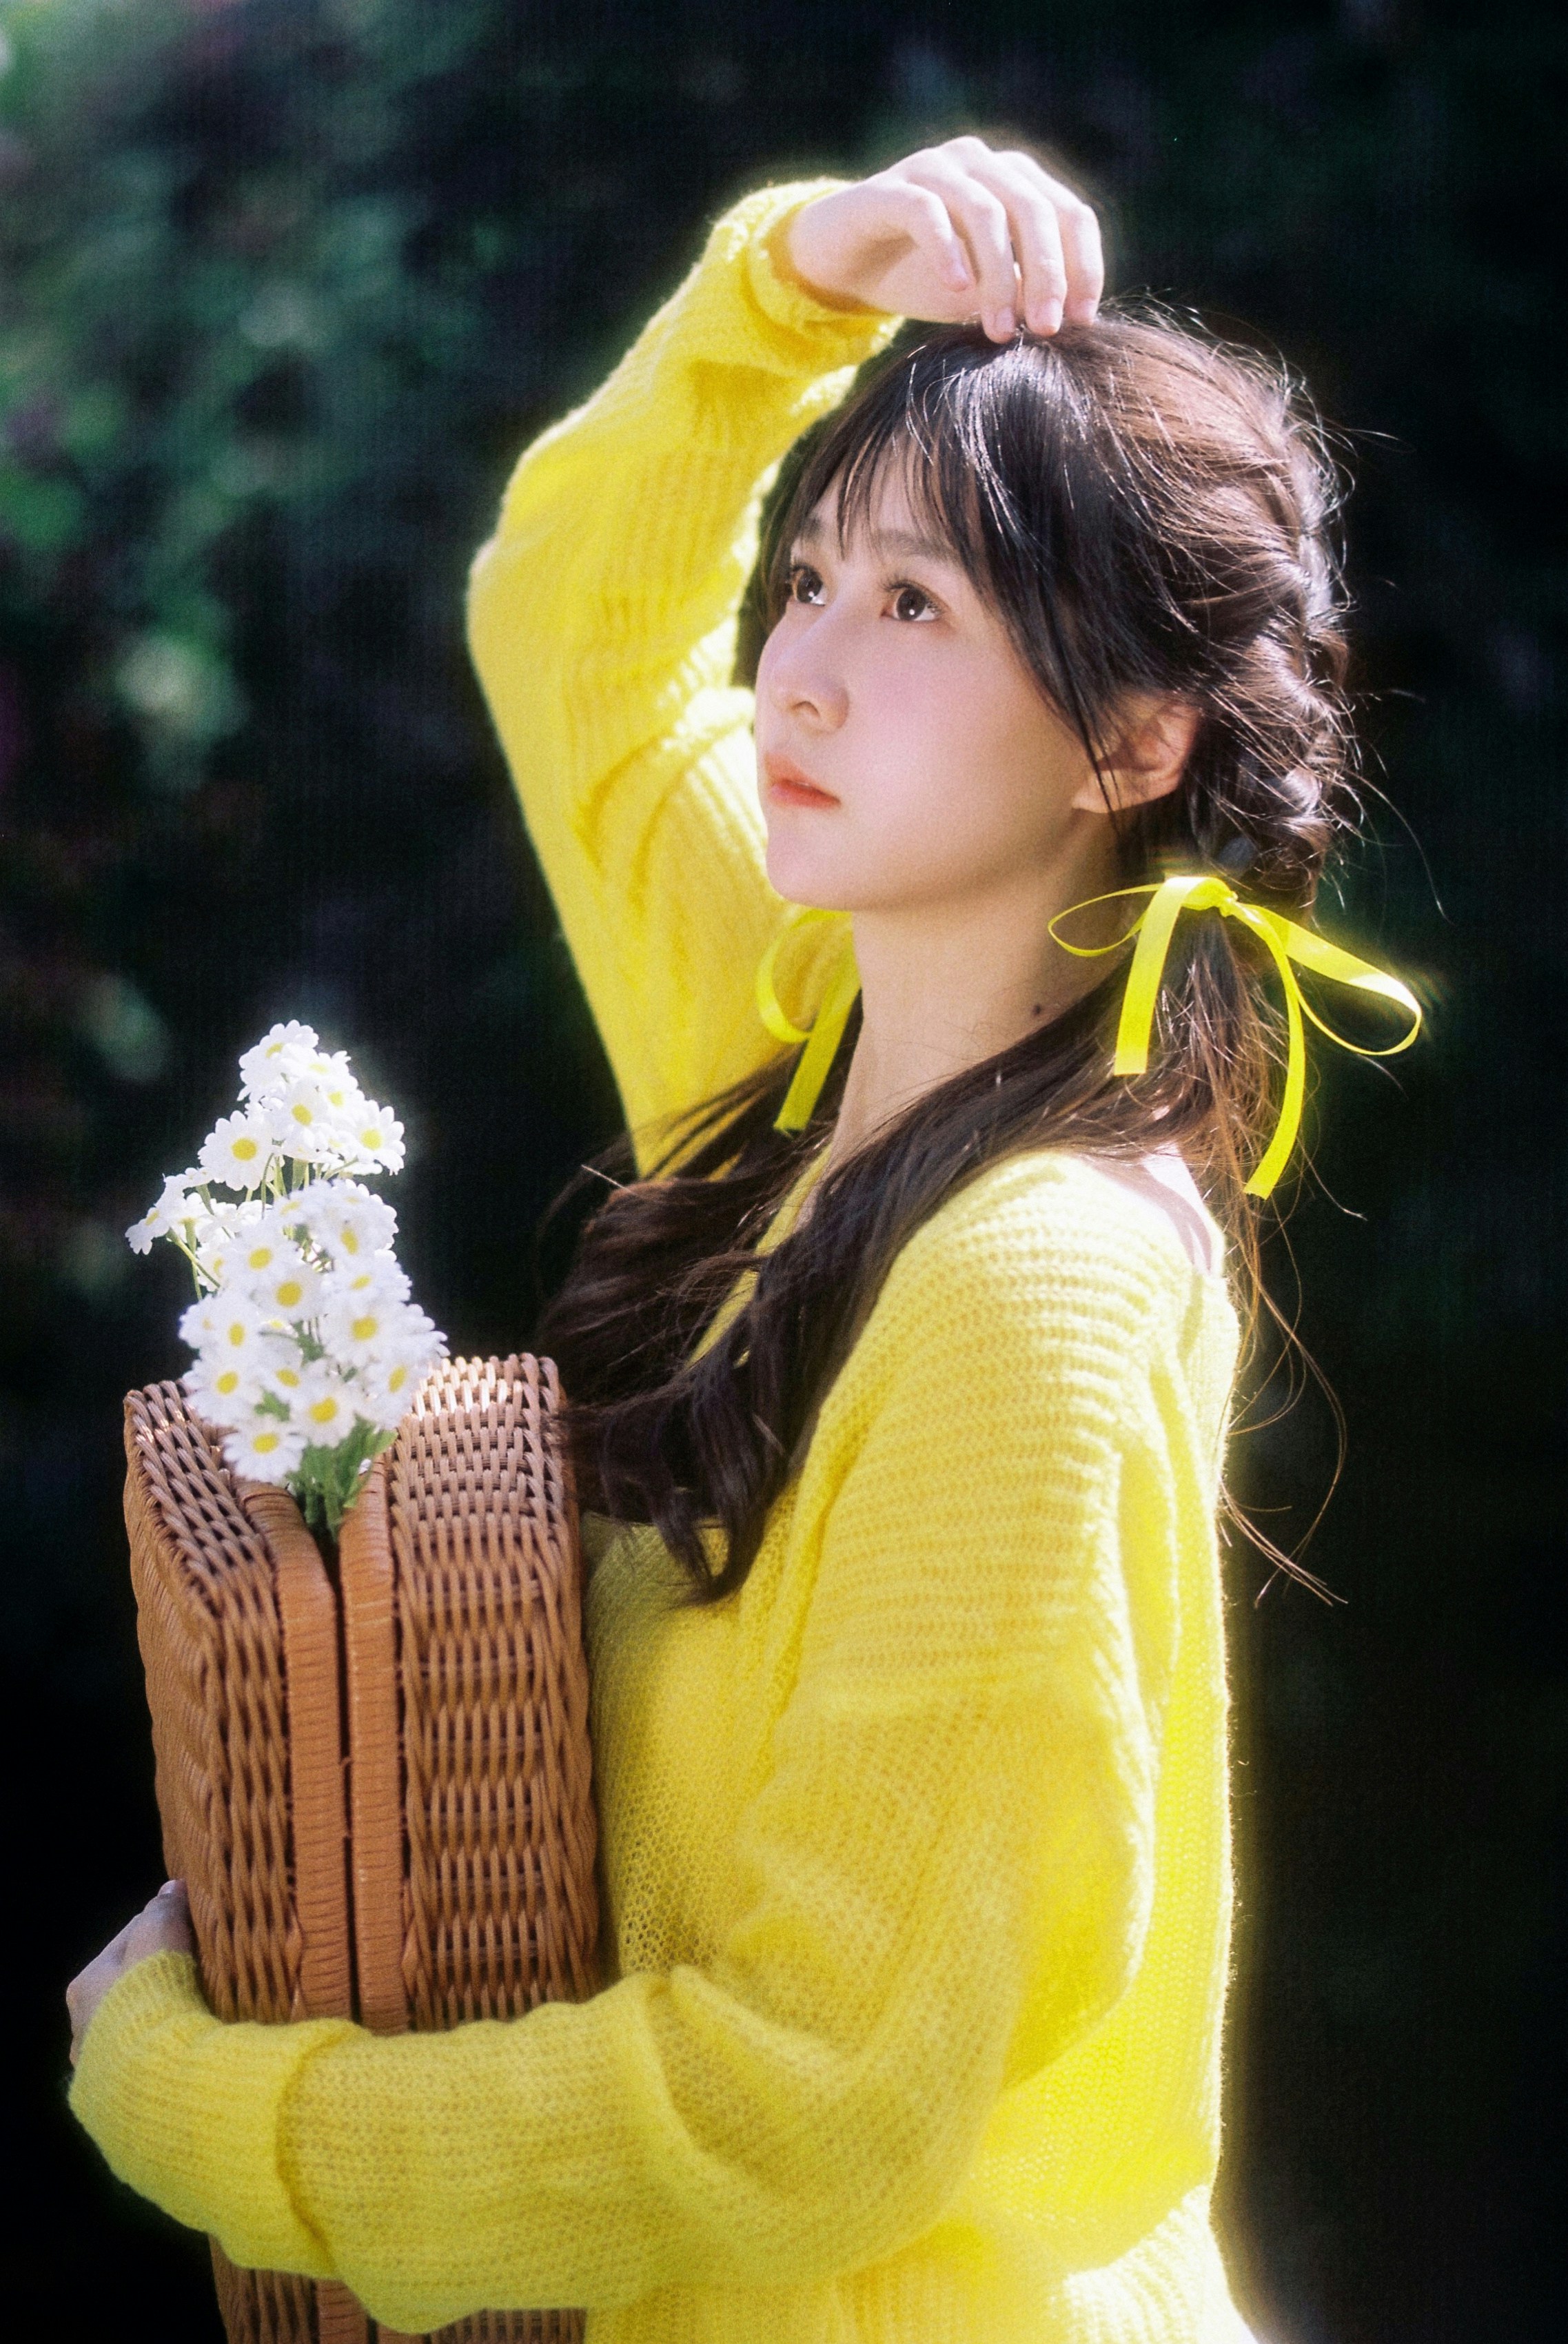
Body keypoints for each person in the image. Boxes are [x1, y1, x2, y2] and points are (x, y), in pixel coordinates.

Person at [67, 138, 1416, 2343]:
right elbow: (569, 616)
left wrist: (211, 2108)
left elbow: (808, 2102)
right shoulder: (808, 1050)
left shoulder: (1033, 1282)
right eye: (812, 576)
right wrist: (798, 277)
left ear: (1134, 737)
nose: (797, 669)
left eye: (917, 608)